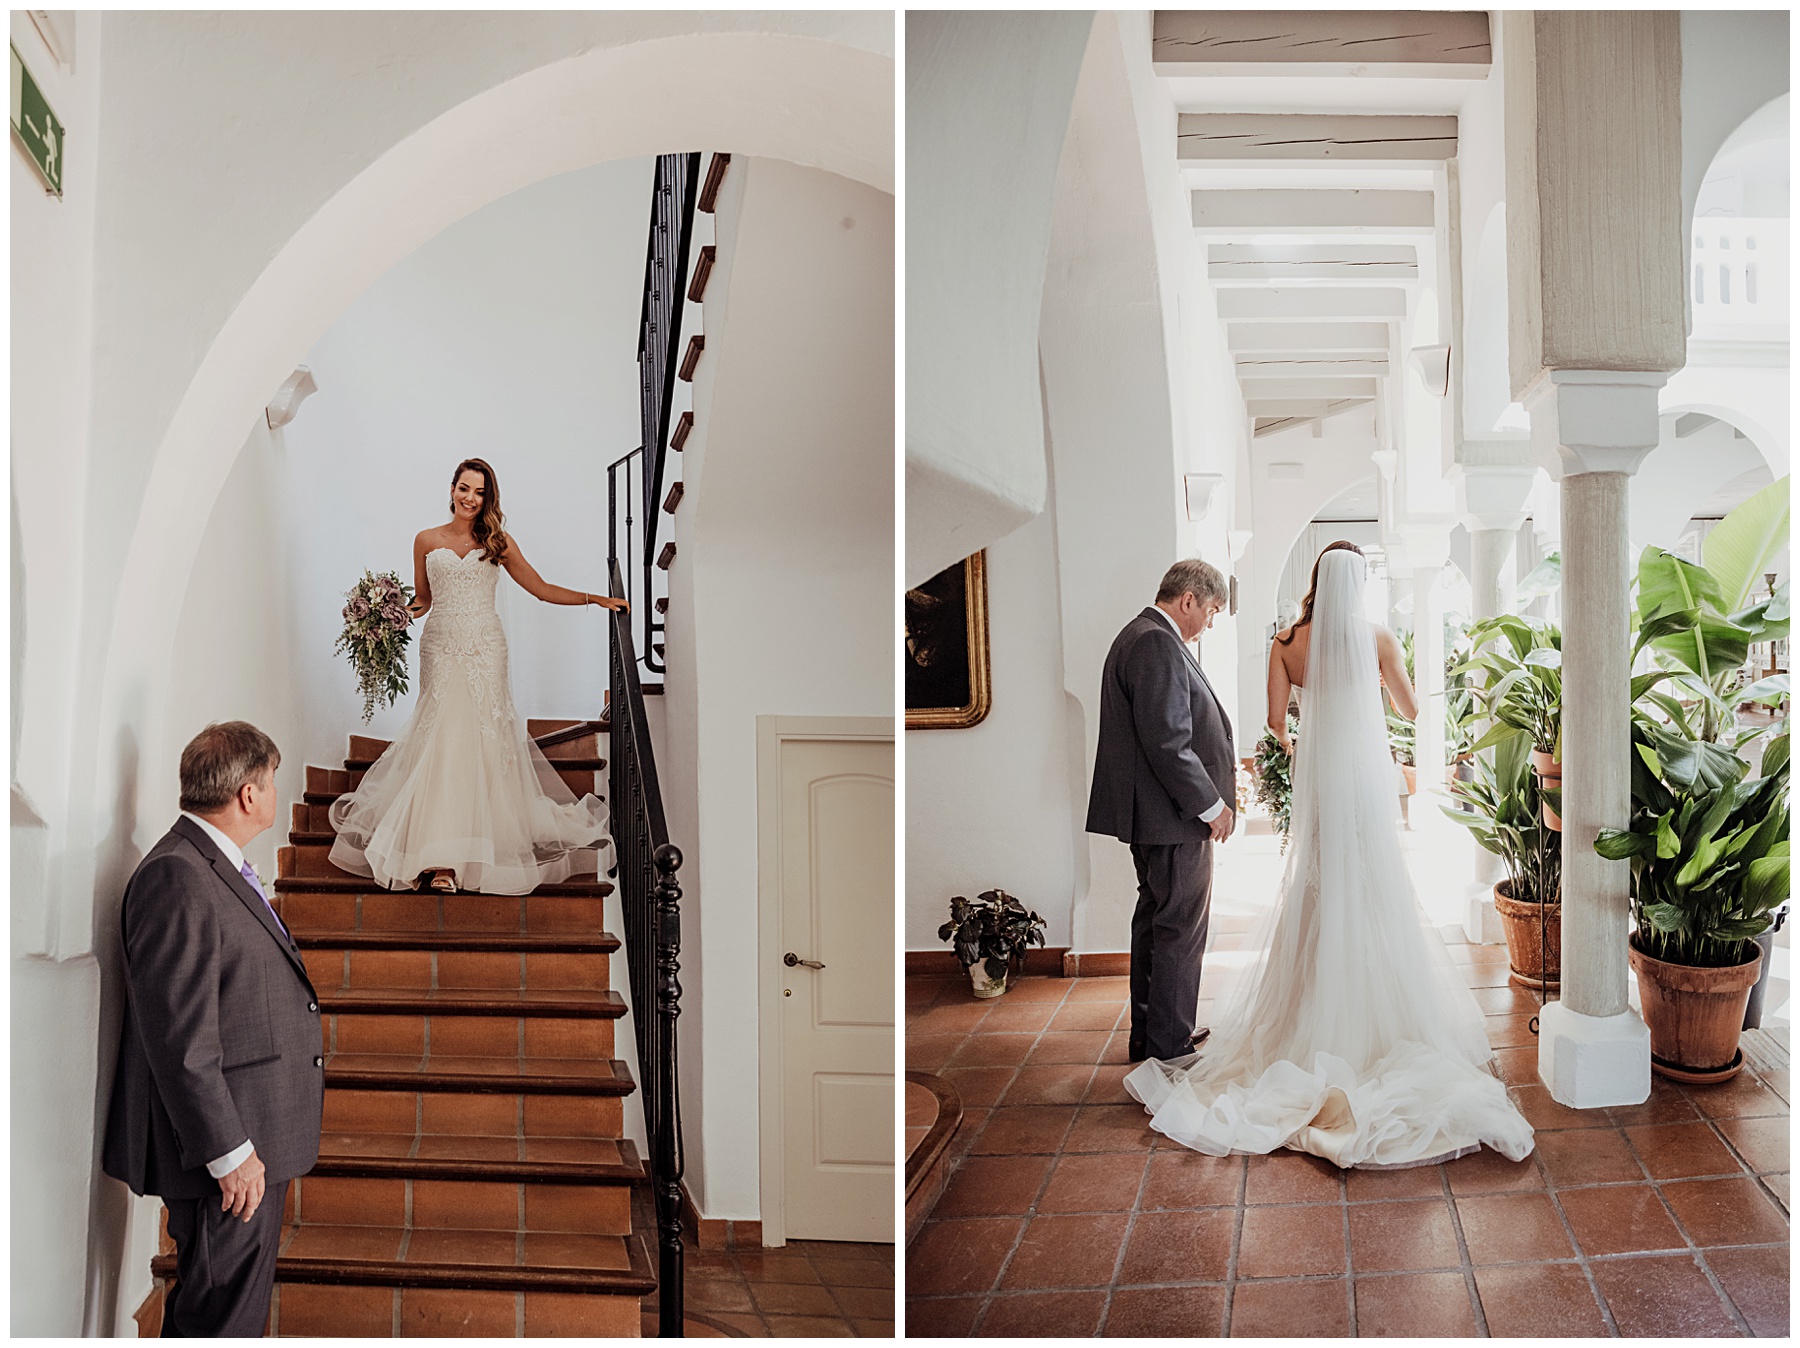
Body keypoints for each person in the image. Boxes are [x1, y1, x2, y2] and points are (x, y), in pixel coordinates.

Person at [1125, 544, 1535, 1167]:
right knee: (1372, 884)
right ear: (1360, 582)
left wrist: (1300, 744)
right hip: (1365, 782)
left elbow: (1274, 723)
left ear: (1316, 580)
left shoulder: (1287, 641)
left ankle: (1299, 1007)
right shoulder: (1377, 639)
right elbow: (1410, 708)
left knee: (1316, 886)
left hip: (1320, 782)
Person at [102, 721, 324, 1337]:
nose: (277, 792)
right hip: (225, 1152)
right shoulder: (178, 875)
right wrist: (231, 1153)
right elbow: (179, 1036)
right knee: (219, 1319)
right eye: (273, 780)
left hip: (250, 1136)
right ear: (248, 795)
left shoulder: (212, 865)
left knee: (232, 1312)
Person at [330, 458, 627, 895]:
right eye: (464, 488)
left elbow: (540, 587)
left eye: (480, 492)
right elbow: (423, 601)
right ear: (451, 489)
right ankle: (435, 858)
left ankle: (461, 857)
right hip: (440, 646)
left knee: (477, 743)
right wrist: (386, 615)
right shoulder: (425, 540)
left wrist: (595, 599)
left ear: (489, 497)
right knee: (443, 740)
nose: (470, 498)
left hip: (485, 648)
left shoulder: (497, 541)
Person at [1086, 558, 1237, 1064]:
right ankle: (1169, 1047)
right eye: (1211, 611)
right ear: (1188, 599)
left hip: (1158, 816)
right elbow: (1169, 741)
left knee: (1157, 922)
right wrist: (1211, 805)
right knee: (1178, 927)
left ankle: (1153, 1036)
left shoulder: (1144, 635)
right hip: (1172, 817)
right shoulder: (1155, 640)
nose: (1209, 624)